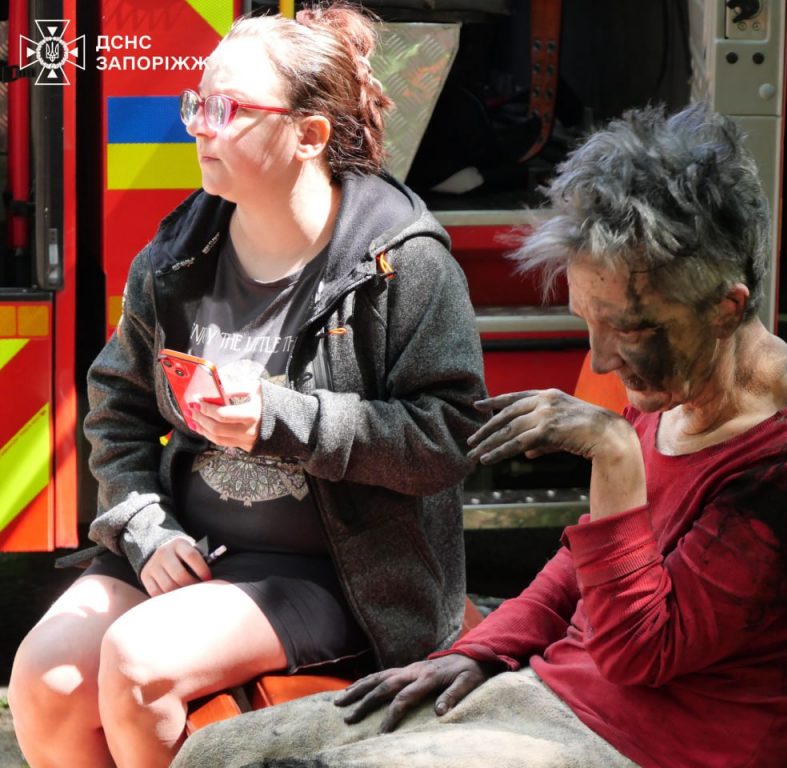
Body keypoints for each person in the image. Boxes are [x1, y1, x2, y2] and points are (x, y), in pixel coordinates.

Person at [169, 103, 787, 768]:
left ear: (726, 308)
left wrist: (615, 456)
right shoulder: (689, 379)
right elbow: (579, 564)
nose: (602, 361)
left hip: (649, 749)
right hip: (552, 698)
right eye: (588, 321)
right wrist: (478, 650)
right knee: (216, 753)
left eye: (628, 329)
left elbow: (640, 655)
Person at [8, 5, 486, 768]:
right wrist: (145, 527)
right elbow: (118, 410)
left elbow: (450, 438)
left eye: (226, 109)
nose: (200, 128)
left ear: (309, 134)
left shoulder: (404, 264)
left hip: (340, 571)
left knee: (139, 661)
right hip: (188, 548)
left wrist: (281, 418)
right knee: (47, 677)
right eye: (196, 105)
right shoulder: (175, 257)